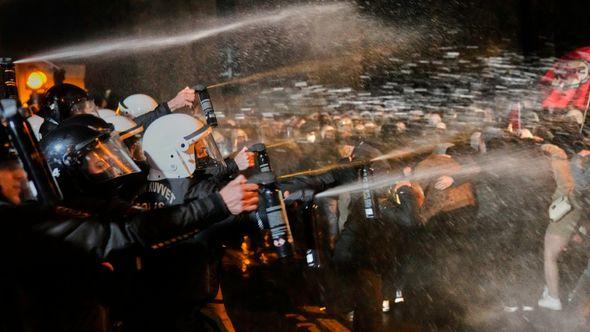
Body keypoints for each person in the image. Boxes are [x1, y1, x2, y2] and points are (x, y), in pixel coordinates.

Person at [538, 142, 590, 310]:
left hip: (564, 216)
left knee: (550, 257)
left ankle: (553, 298)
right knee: (555, 256)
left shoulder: (567, 182)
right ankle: (551, 288)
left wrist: (545, 146)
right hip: (573, 217)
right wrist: (580, 231)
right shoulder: (581, 189)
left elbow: (558, 154)